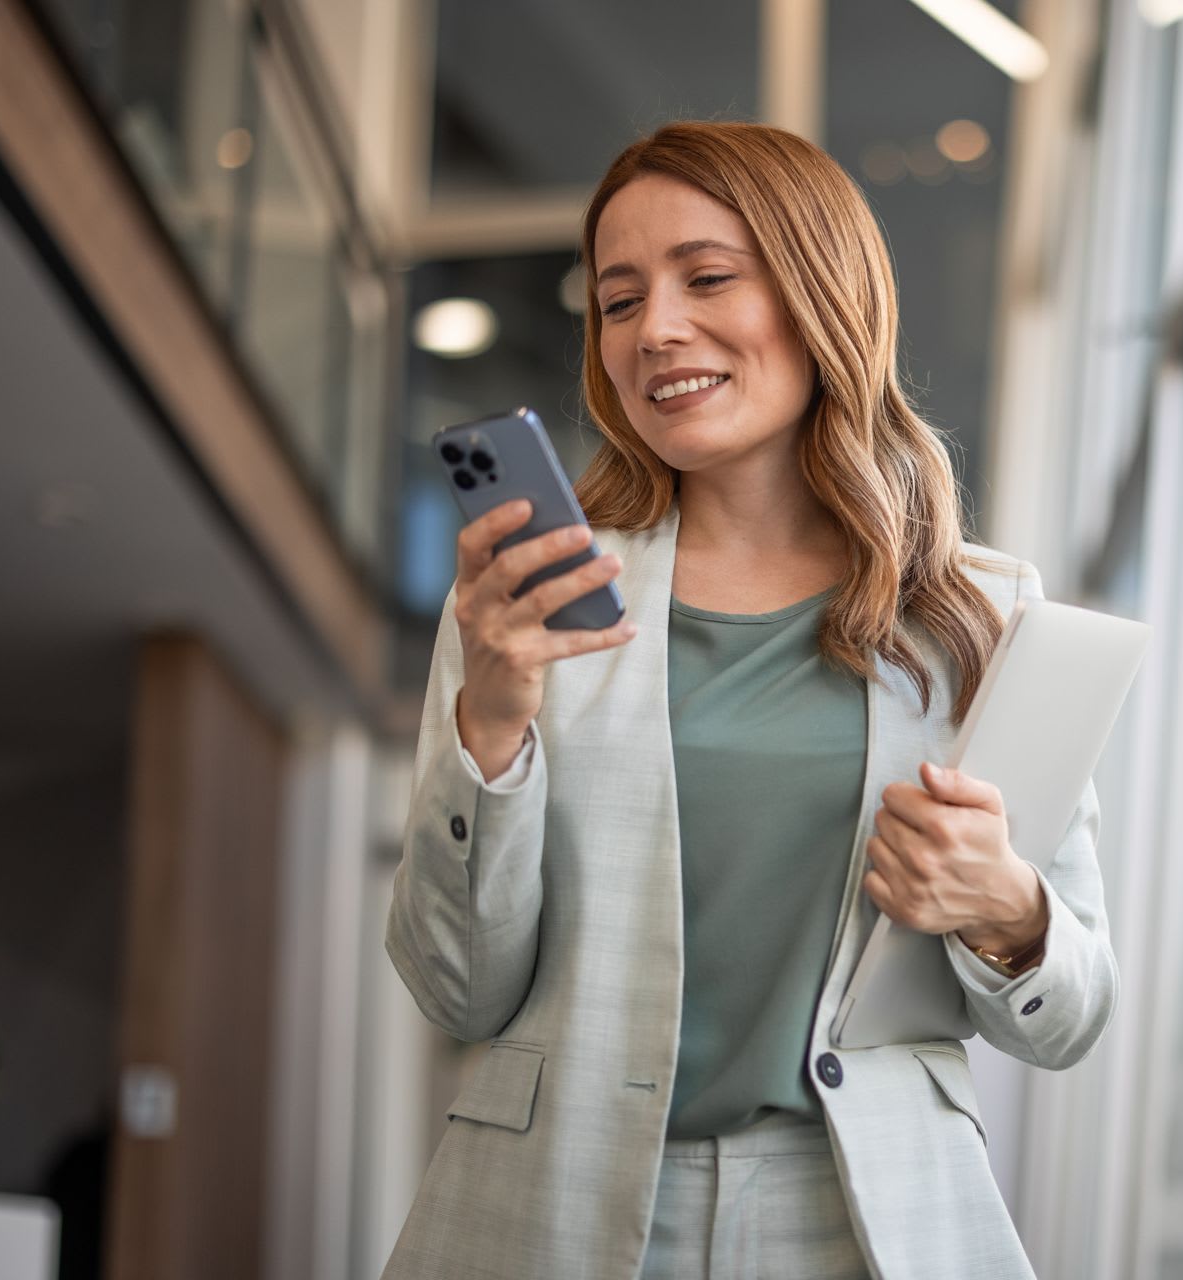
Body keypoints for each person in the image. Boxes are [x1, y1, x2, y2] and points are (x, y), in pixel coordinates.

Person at [382, 121, 1117, 1280]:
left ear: (820, 288)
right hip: (558, 1203)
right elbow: (455, 986)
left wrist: (1007, 905)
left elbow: (1072, 1015)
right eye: (617, 301)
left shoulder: (981, 614)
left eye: (707, 276)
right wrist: (495, 720)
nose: (655, 328)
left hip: (863, 1209)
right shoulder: (531, 602)